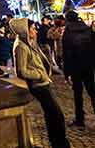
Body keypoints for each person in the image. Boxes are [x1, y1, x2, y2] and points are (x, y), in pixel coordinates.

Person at [10, 18, 70, 148]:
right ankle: (60, 143)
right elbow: (21, 71)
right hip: (38, 85)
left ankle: (56, 142)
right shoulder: (21, 46)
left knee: (52, 114)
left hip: (43, 83)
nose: (35, 31)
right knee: (57, 114)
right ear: (25, 30)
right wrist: (40, 75)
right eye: (32, 29)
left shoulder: (29, 42)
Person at [62, 10, 95, 128]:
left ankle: (80, 120)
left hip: (75, 67)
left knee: (78, 94)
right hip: (88, 66)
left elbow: (66, 54)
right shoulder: (87, 29)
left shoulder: (67, 32)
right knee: (92, 92)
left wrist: (66, 73)